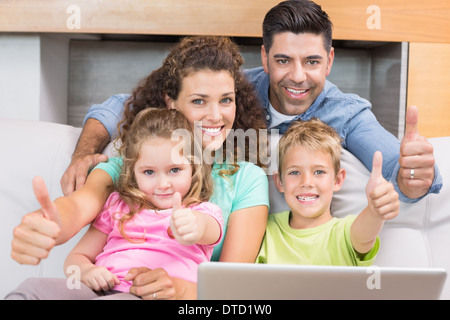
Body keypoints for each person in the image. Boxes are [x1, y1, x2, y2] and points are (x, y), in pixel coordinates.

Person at [59, 0, 441, 204]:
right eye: (283, 60)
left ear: (330, 61)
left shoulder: (347, 112)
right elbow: (116, 105)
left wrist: (415, 177)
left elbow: (398, 169)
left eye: (311, 61)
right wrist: (84, 153)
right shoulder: (232, 91)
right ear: (264, 58)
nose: (297, 76)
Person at [10, 36, 270, 300]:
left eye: (226, 100)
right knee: (33, 290)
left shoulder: (247, 179)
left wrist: (181, 290)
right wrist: (50, 223)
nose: (216, 115)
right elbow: (79, 206)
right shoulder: (128, 165)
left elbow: (230, 289)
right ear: (171, 102)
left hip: (163, 296)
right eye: (199, 101)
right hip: (101, 287)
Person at [6, 108, 224, 300]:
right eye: (149, 172)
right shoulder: (118, 206)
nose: (163, 184)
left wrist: (192, 226)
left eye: (174, 170)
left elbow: (208, 230)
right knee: (32, 289)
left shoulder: (203, 212)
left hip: (147, 296)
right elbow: (77, 257)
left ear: (194, 169)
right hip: (98, 289)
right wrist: (85, 272)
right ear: (133, 172)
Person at [256, 118, 399, 265]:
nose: (306, 182)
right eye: (294, 172)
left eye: (318, 172)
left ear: (337, 180)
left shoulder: (345, 232)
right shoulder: (265, 229)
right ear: (279, 181)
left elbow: (365, 233)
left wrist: (375, 210)